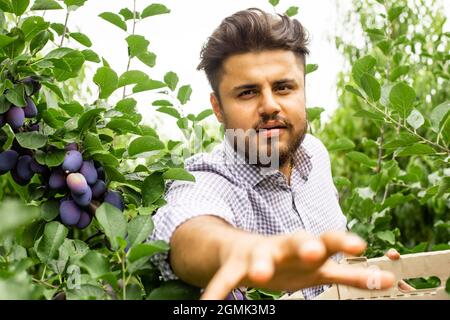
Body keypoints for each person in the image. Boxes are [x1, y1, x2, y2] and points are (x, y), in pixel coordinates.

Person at [148, 8, 406, 300]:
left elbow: (333, 266)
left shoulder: (315, 154)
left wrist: (373, 281)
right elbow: (187, 228)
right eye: (247, 92)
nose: (270, 105)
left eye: (284, 87)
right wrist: (239, 250)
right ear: (218, 108)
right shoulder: (208, 180)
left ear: (303, 91)